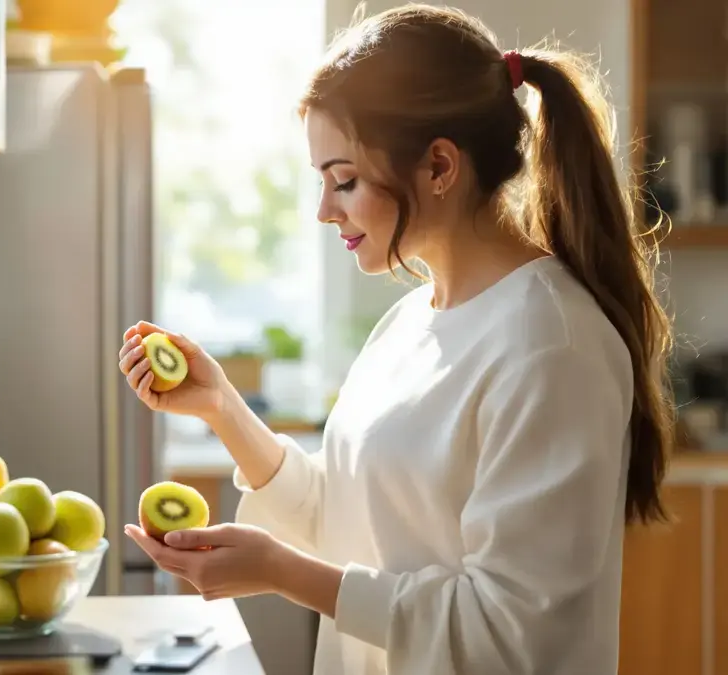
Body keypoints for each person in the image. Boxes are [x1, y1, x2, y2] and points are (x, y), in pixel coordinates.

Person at [117, 4, 675, 675]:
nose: (325, 210)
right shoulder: (411, 322)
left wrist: (281, 572)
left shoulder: (554, 344)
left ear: (440, 165)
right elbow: (347, 519)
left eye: (344, 180)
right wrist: (222, 409)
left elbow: (511, 633)